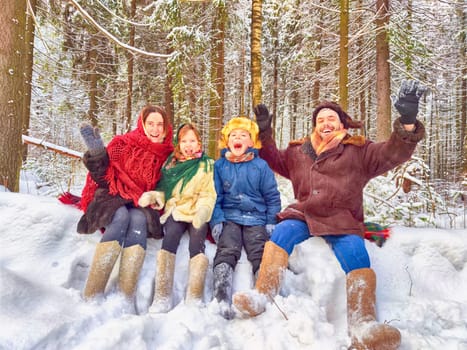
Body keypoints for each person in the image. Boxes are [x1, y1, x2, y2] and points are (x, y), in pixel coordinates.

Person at [233, 80, 426, 350]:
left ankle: (363, 324)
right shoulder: (299, 151)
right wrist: (264, 133)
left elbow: (393, 152)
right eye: (321, 119)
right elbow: (273, 159)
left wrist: (407, 121)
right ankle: (263, 295)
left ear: (342, 125)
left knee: (358, 256)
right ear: (315, 125)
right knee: (282, 233)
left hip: (343, 220)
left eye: (331, 119)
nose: (326, 123)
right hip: (303, 215)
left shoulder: (360, 151)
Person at [78, 104, 174, 302]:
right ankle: (92, 291)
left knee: (138, 220)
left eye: (160, 124)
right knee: (120, 216)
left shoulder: (169, 154)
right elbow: (103, 178)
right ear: (142, 124)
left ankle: (125, 294)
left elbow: (170, 185)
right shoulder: (124, 144)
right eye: (151, 123)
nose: (155, 129)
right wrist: (98, 154)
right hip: (112, 195)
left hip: (141, 203)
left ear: (166, 128)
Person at [138, 123, 216, 313]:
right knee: (170, 238)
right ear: (178, 144)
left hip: (197, 210)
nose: (188, 145)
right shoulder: (171, 164)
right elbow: (166, 190)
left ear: (199, 143)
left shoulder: (207, 165)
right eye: (184, 141)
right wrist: (156, 196)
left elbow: (209, 193)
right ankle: (162, 296)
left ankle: (195, 295)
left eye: (192, 141)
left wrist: (203, 211)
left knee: (197, 243)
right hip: (177, 209)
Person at [210, 116, 282, 319]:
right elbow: (214, 196)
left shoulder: (261, 166)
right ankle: (221, 295)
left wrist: (270, 220)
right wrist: (216, 220)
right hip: (230, 217)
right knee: (228, 247)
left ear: (251, 142)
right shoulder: (220, 166)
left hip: (256, 218)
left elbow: (272, 196)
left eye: (243, 135)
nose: (238, 138)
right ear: (227, 141)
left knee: (259, 248)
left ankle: (264, 294)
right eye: (233, 135)